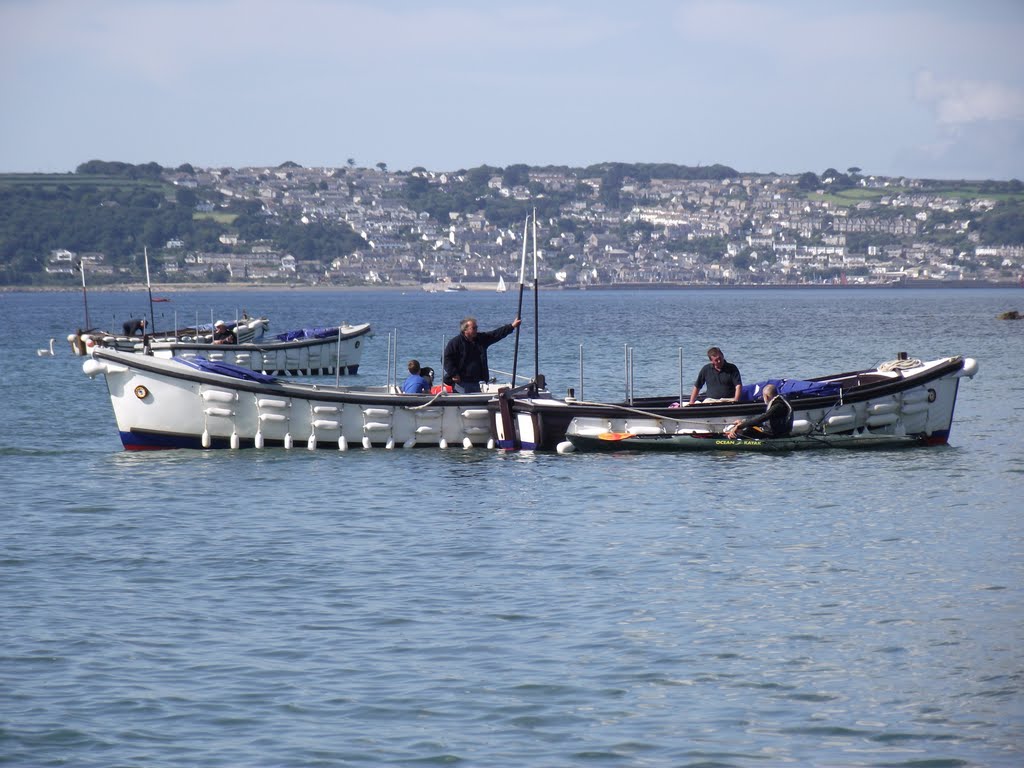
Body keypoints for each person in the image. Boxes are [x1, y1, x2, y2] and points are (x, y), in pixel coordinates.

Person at [443, 315, 521, 393]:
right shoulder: (455, 342)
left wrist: (512, 326)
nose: (476, 330)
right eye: (473, 328)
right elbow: (445, 359)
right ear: (465, 330)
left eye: (476, 327)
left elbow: (495, 334)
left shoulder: (480, 339)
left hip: (476, 382)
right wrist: (454, 373)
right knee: (466, 402)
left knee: (476, 403)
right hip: (462, 383)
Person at [725, 383, 793, 439]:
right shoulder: (780, 402)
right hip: (777, 431)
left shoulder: (777, 406)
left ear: (766, 396)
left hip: (776, 434)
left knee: (748, 430)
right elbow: (763, 419)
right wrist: (743, 421)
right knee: (749, 426)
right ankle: (733, 434)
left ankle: (733, 437)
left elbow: (761, 419)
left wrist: (739, 426)